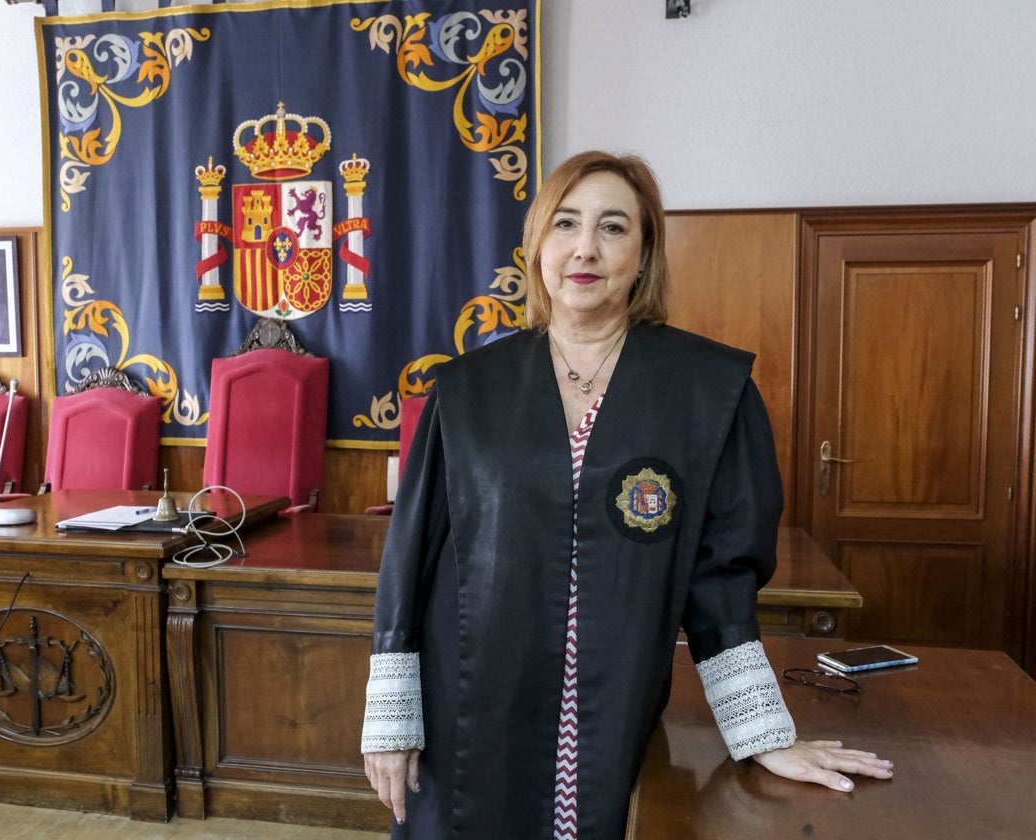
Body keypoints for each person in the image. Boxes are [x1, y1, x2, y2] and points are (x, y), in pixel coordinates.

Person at [361, 151, 894, 839]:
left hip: (611, 712)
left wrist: (762, 732)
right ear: (537, 247)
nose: (586, 248)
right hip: (472, 708)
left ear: (643, 255)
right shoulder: (466, 391)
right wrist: (392, 718)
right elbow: (409, 562)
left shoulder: (707, 392)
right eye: (566, 224)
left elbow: (722, 584)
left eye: (613, 228)